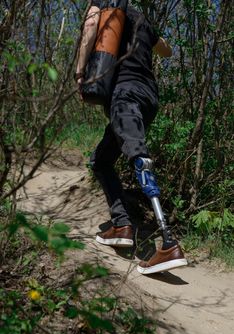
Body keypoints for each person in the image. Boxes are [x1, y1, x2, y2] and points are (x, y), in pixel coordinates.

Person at [75, 1, 187, 274]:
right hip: (149, 97)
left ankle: (169, 242)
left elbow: (90, 26)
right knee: (102, 160)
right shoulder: (142, 18)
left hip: (124, 93)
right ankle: (122, 225)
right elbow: (167, 50)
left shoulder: (103, 5)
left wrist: (80, 73)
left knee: (139, 156)